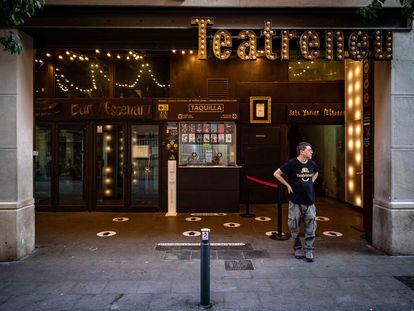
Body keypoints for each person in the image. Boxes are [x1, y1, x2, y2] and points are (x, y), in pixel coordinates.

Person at [273, 142, 319, 262]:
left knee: (311, 226)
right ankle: (297, 248)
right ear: (302, 151)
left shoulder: (311, 163)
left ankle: (309, 250)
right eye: (309, 150)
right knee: (293, 226)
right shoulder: (292, 163)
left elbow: (316, 172)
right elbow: (276, 174)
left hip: (309, 201)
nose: (311, 152)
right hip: (295, 201)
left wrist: (311, 182)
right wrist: (287, 184)